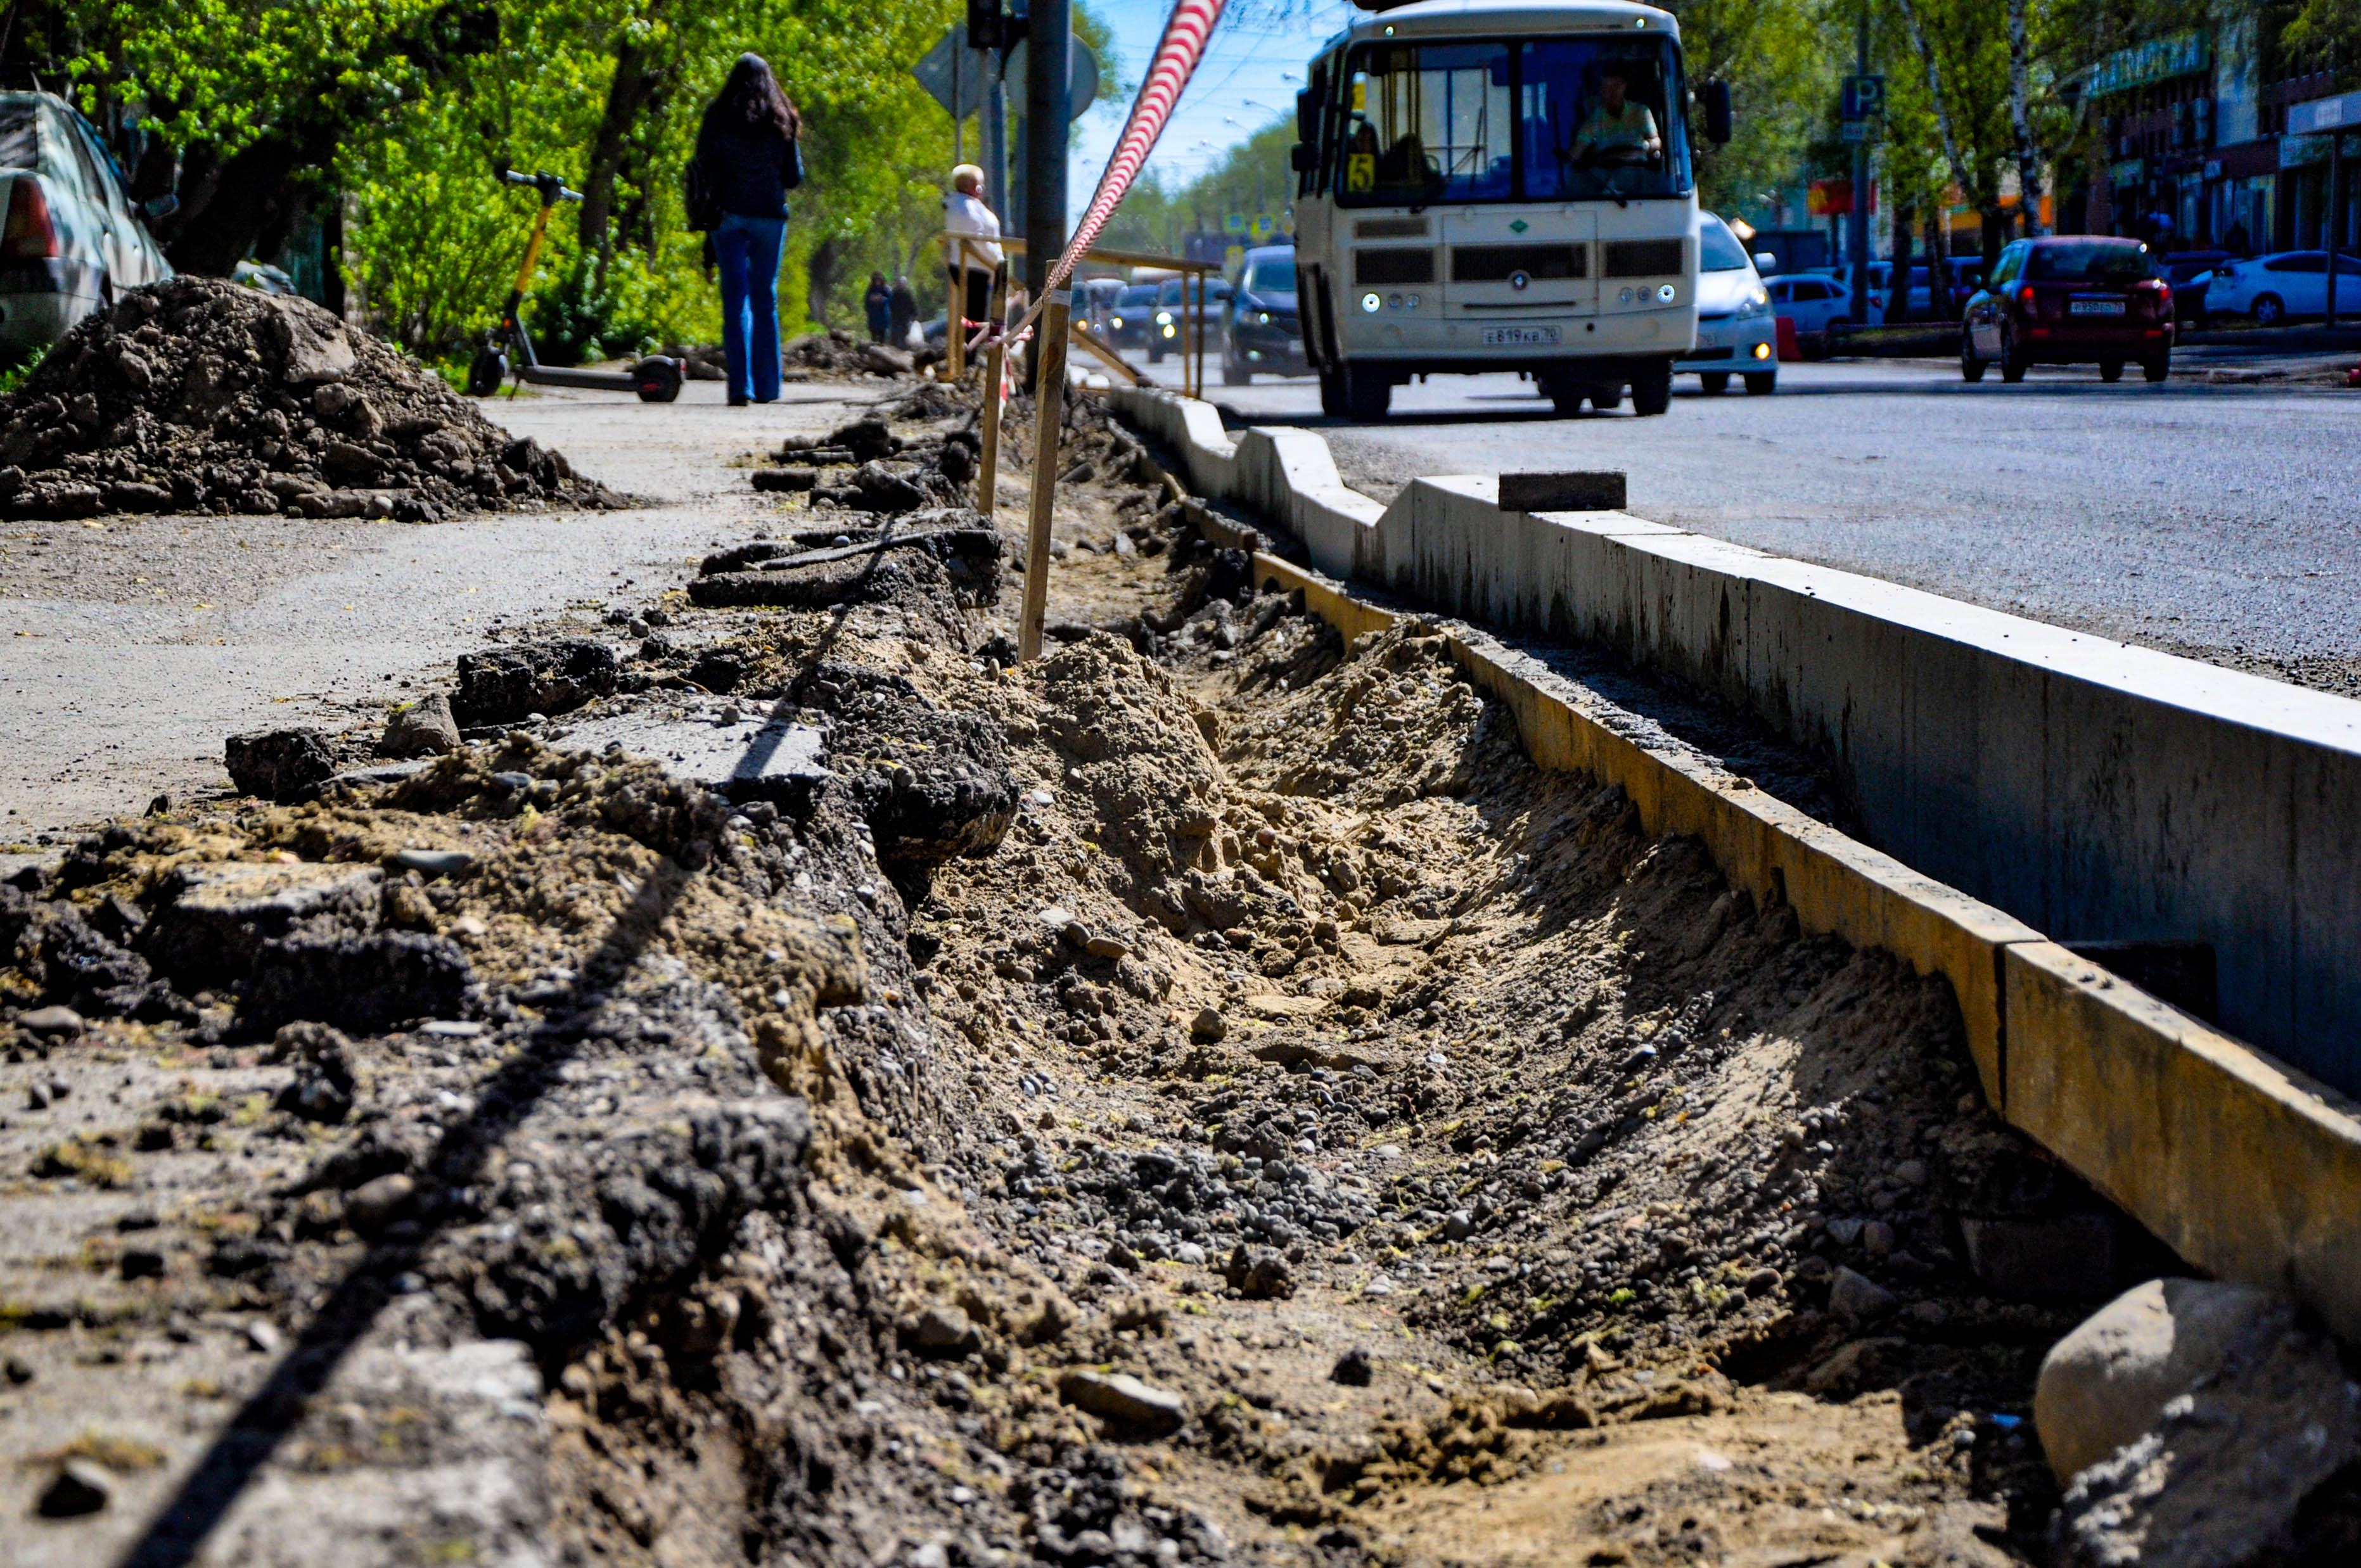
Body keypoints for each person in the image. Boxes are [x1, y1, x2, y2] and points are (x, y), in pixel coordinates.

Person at [694, 53, 803, 405]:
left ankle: (740, 387)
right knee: (764, 298)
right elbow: (794, 177)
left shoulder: (717, 116)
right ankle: (769, 388)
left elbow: (702, 166)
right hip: (769, 216)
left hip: (727, 216)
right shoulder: (781, 118)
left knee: (735, 298)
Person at [944, 163, 1004, 338]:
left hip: (972, 266)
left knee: (973, 315)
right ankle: (968, 357)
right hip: (974, 267)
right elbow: (977, 240)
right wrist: (998, 262)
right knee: (974, 317)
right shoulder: (965, 208)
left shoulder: (959, 205)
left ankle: (968, 355)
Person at [1571, 70, 1660, 167]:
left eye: (1616, 86)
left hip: (1639, 174)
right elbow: (1576, 153)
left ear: (1624, 86)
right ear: (1601, 90)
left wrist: (1645, 146)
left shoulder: (1641, 112)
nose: (1612, 92)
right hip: (1606, 178)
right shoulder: (1594, 121)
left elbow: (1657, 142)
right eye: (1607, 87)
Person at [889, 274, 918, 348]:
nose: (902, 285)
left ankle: (904, 347)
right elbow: (890, 304)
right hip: (896, 316)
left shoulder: (908, 294)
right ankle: (893, 345)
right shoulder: (894, 293)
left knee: (905, 333)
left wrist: (914, 314)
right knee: (895, 332)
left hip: (905, 317)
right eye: (901, 283)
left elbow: (912, 304)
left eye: (904, 283)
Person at [863, 271, 891, 343]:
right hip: (873, 317)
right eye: (876, 280)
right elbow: (866, 302)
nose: (877, 282)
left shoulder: (886, 289)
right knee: (874, 337)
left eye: (879, 280)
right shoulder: (870, 289)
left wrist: (882, 299)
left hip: (883, 317)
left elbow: (891, 300)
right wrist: (871, 300)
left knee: (882, 337)